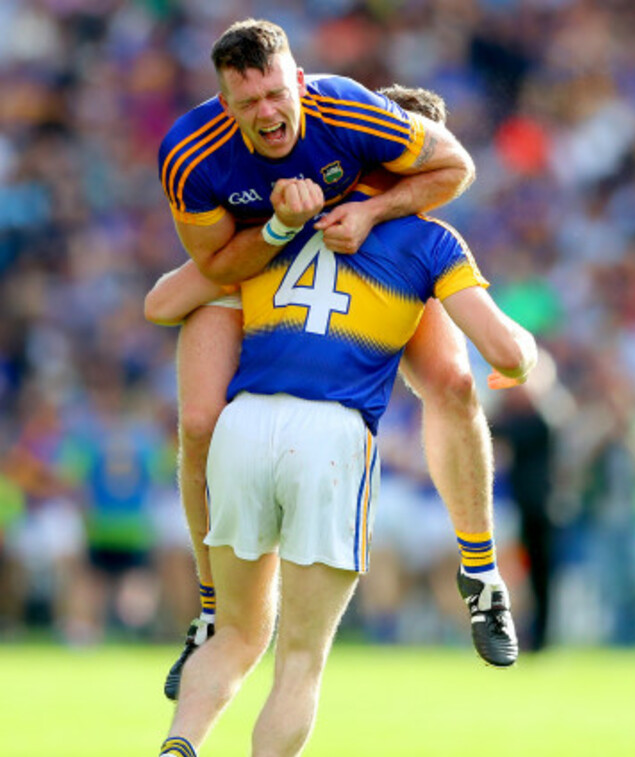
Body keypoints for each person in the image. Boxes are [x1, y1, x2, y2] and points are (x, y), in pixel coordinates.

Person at [134, 100, 537, 757]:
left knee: (237, 635)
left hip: (244, 426)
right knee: (301, 657)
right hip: (332, 438)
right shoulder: (428, 237)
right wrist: (526, 350)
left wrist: (270, 239)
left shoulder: (271, 227)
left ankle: (177, 756)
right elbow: (496, 355)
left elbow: (163, 303)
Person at [156, 19, 507, 698]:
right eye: (248, 102)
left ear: (299, 82)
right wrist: (282, 228)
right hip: (248, 262)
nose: (267, 113)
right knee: (199, 420)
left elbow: (454, 167)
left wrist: (373, 215)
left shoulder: (362, 131)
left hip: (344, 266)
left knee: (455, 383)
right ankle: (207, 609)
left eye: (275, 95)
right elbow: (183, 283)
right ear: (226, 102)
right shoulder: (193, 153)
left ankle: (481, 571)